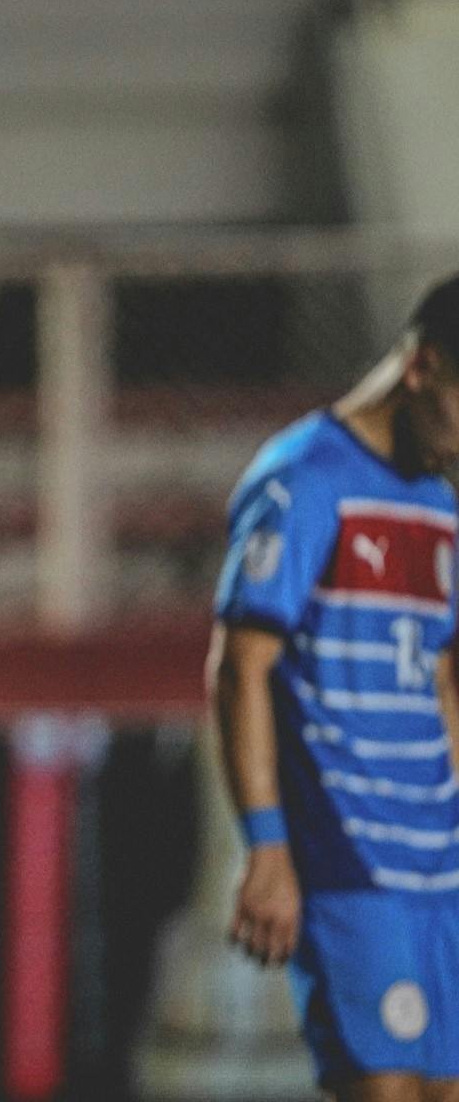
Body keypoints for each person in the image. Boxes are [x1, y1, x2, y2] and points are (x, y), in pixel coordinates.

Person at [212, 274, 459, 1101]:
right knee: (384, 1089)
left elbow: (442, 678)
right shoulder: (305, 476)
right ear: (422, 368)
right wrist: (267, 848)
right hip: (347, 854)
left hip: (439, 864)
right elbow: (242, 665)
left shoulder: (441, 502)